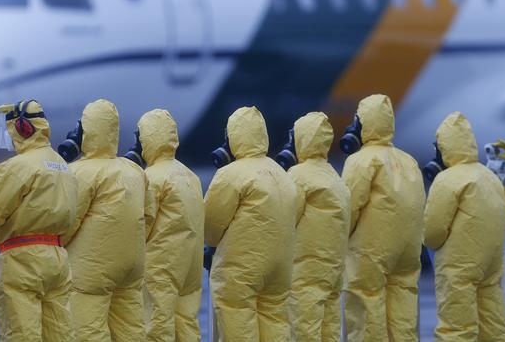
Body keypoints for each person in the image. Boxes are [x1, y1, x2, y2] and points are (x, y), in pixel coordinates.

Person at [0, 99, 76, 342]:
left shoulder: (16, 167)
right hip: (57, 257)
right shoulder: (62, 166)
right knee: (59, 332)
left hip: (21, 259)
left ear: (21, 128)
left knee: (20, 334)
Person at [204, 106, 300, 342]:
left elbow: (210, 227)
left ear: (232, 136)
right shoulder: (282, 173)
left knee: (237, 320)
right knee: (275, 321)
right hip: (280, 267)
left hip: (242, 268)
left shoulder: (230, 174)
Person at [61, 99, 148, 342]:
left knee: (87, 330)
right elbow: (147, 216)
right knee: (131, 329)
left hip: (91, 269)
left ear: (85, 132)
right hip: (132, 267)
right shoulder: (134, 170)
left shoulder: (80, 171)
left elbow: (68, 222)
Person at [341, 94, 425, 342]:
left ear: (363, 123)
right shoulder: (408, 160)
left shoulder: (360, 161)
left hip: (371, 250)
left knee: (367, 309)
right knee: (403, 314)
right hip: (407, 251)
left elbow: (349, 208)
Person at [423, 112, 505, 341]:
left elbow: (432, 232)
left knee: (457, 327)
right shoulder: (489, 176)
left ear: (443, 148)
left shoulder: (448, 179)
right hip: (491, 263)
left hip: (459, 264)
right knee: (493, 322)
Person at [138, 109, 204, 342]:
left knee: (157, 324)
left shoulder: (152, 177)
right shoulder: (190, 176)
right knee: (187, 323)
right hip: (191, 266)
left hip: (161, 264)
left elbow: (142, 223)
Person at [285, 112, 350, 342]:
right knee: (329, 329)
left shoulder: (298, 176)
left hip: (305, 269)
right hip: (333, 270)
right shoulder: (334, 177)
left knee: (304, 329)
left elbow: (285, 220)